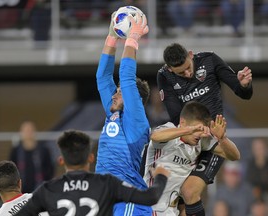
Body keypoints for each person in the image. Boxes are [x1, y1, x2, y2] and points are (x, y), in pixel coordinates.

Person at [155, 42, 253, 214]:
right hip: (188, 142)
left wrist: (244, 85)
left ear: (190, 55)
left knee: (189, 191)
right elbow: (176, 116)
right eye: (181, 72)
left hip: (213, 141)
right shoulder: (164, 76)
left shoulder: (210, 60)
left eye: (188, 67)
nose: (187, 73)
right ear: (170, 70)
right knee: (177, 201)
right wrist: (194, 130)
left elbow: (242, 92)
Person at [15, 130, 170, 215]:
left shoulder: (48, 190)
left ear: (61, 160)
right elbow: (151, 197)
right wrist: (161, 176)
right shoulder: (107, 183)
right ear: (90, 158)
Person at [95, 10, 152, 215]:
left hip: (128, 201)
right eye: (117, 91)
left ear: (132, 100)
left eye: (119, 92)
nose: (114, 95)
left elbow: (127, 78)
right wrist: (111, 37)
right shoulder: (114, 115)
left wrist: (133, 38)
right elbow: (102, 78)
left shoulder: (136, 121)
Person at [143, 101, 240, 216]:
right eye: (197, 128)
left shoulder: (200, 141)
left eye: (202, 129)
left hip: (171, 210)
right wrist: (189, 130)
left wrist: (223, 139)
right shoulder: (169, 130)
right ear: (182, 122)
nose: (199, 134)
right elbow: (155, 136)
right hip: (151, 207)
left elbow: (235, 156)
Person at [10, 121, 55, 193]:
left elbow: (50, 169)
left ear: (35, 132)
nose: (28, 133)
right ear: (21, 133)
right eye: (26, 131)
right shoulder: (16, 151)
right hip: (20, 192)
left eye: (30, 130)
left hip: (40, 190)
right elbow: (10, 170)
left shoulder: (43, 150)